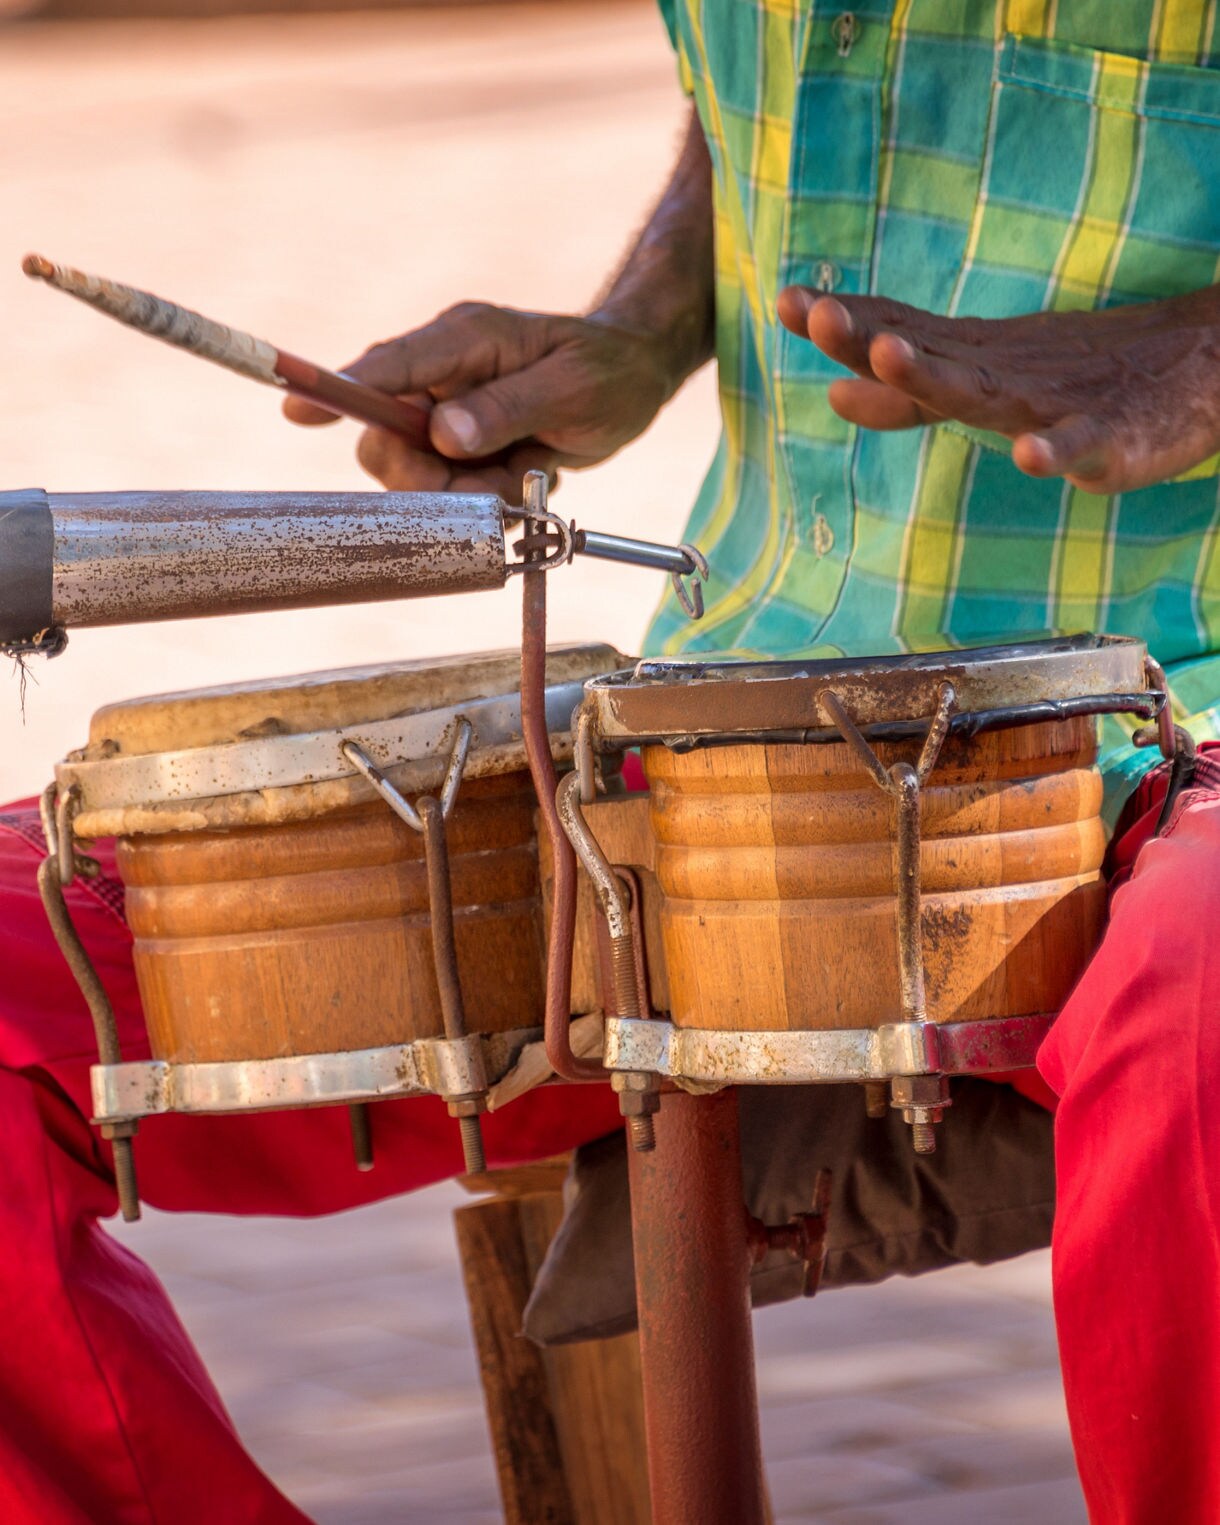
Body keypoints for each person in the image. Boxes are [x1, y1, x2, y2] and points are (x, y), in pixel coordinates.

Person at [3, 2, 1219, 1521]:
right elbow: (776, 76)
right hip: (721, 734)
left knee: (1204, 1016)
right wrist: (647, 320)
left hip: (1182, 724)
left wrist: (1200, 352)